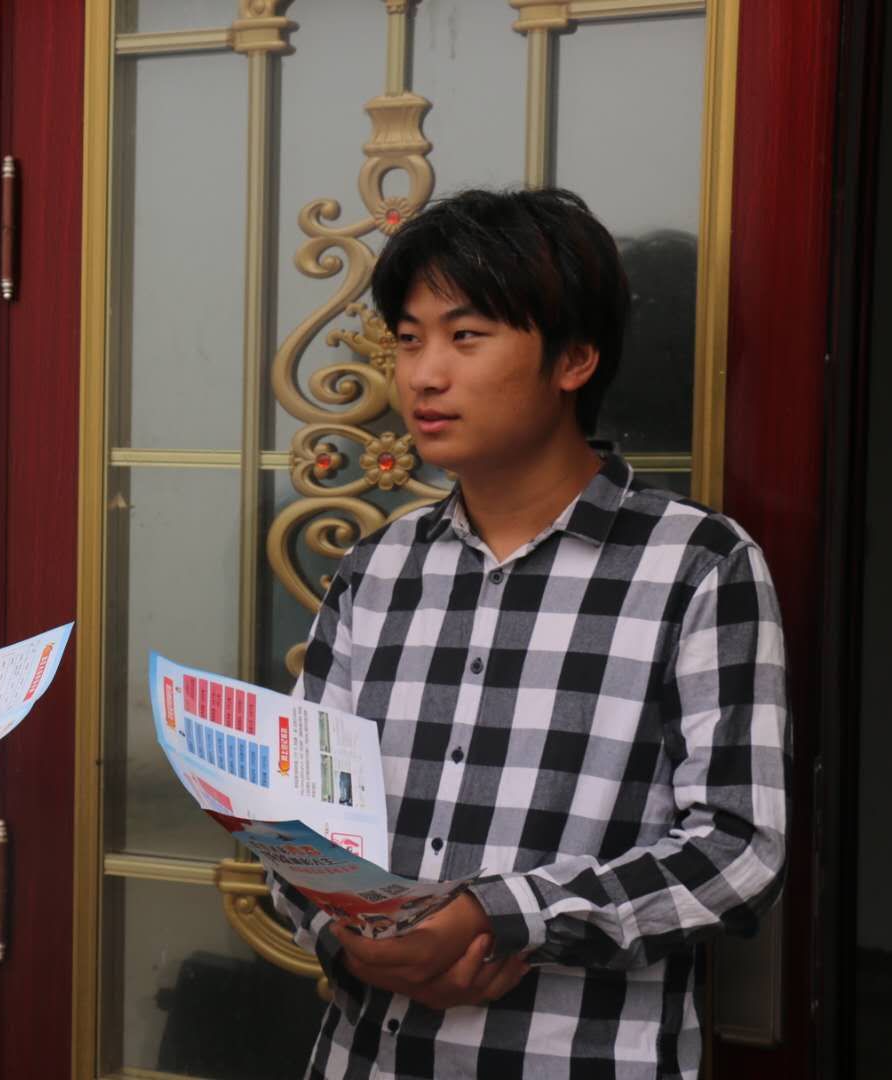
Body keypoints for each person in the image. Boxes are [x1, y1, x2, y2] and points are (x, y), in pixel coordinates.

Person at [270, 187, 789, 1079]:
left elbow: (739, 847)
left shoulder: (697, 564)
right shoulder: (378, 566)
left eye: (466, 336)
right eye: (408, 339)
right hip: (366, 1055)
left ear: (575, 358)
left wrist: (497, 915)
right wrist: (345, 940)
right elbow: (296, 813)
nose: (423, 375)